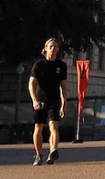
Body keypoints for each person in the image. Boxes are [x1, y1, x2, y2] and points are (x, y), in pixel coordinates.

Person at [29, 38, 68, 166]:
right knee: (38, 127)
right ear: (45, 48)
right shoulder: (39, 65)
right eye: (51, 46)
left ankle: (53, 151)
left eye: (55, 46)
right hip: (40, 100)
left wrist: (64, 103)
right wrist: (35, 100)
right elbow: (31, 84)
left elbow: (64, 86)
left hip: (54, 100)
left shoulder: (61, 66)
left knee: (54, 126)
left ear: (58, 49)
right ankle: (39, 154)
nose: (53, 48)